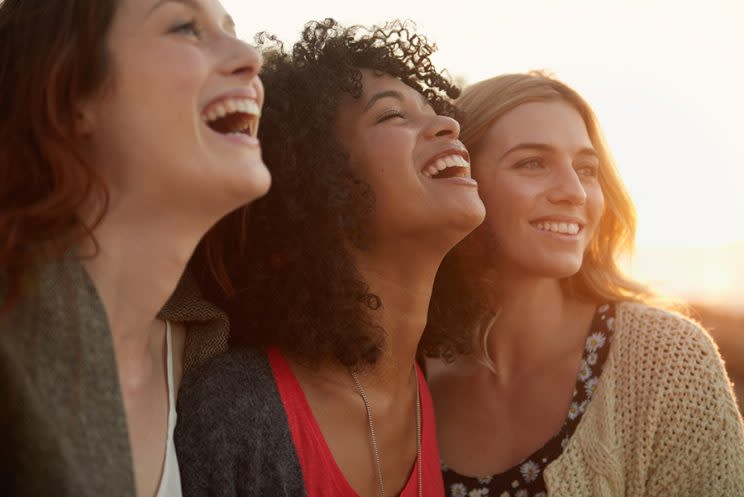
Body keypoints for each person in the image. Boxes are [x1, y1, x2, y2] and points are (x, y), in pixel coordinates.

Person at [175, 18, 485, 497]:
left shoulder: (433, 393)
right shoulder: (236, 411)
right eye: (392, 116)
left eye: (432, 109)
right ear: (321, 182)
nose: (448, 123)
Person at [424, 72, 744, 497]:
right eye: (532, 162)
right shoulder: (406, 371)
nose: (574, 191)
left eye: (586, 169)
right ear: (462, 179)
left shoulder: (667, 360)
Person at [0, 0, 268, 496]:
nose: (250, 57)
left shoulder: (205, 358)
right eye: (186, 27)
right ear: (71, 93)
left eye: (233, 29)